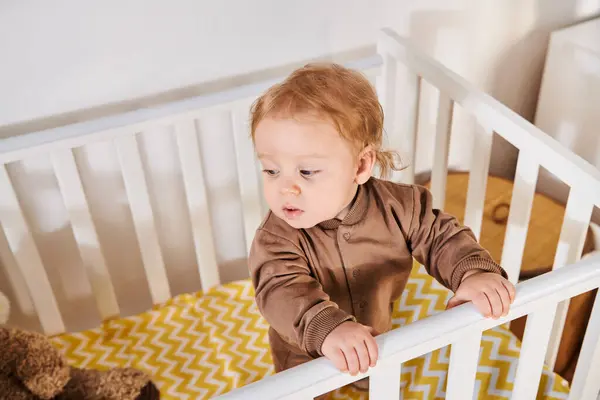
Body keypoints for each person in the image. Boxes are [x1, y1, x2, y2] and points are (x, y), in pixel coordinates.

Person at [247, 62, 515, 391]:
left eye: (306, 172)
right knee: (303, 389)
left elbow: (440, 236)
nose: (285, 188)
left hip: (375, 331)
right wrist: (327, 329)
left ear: (360, 165)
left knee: (374, 377)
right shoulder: (276, 238)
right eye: (272, 171)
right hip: (302, 350)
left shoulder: (400, 207)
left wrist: (472, 272)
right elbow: (281, 291)